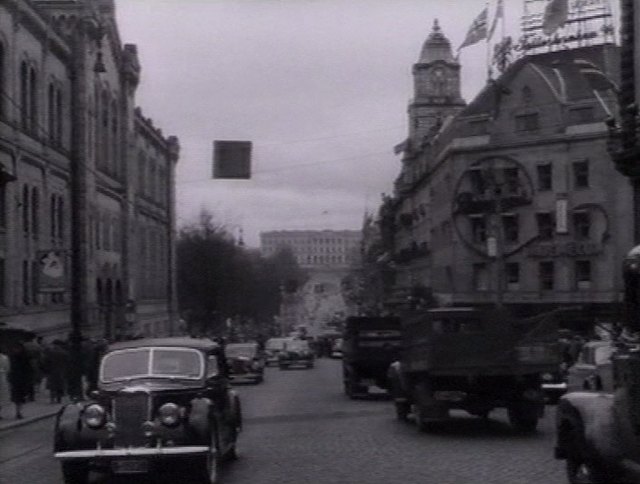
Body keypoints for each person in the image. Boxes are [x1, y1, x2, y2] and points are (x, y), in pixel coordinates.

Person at [8, 342, 34, 419]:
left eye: (17, 348)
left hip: (23, 380)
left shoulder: (25, 357)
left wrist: (29, 379)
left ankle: (19, 412)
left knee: (21, 397)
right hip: (15, 380)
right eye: (15, 348)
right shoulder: (12, 357)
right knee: (16, 397)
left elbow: (29, 369)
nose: (15, 350)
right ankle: (18, 412)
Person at [0, 348, 10, 419]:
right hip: (2, 376)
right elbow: (8, 369)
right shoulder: (5, 358)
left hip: (2, 376)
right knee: (2, 396)